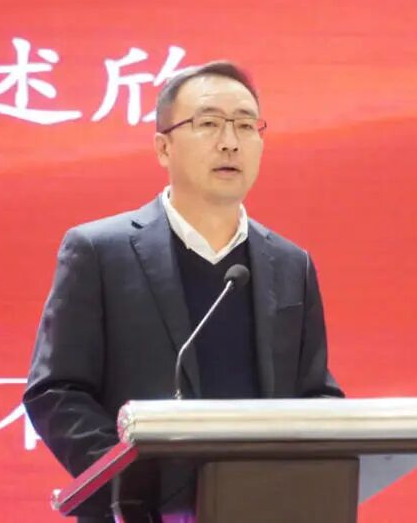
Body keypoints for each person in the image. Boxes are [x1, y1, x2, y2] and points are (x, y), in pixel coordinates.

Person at [23, 61, 342, 522]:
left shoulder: (292, 264)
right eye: (209, 123)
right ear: (163, 147)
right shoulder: (99, 251)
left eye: (245, 125)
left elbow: (315, 395)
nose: (230, 141)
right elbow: (56, 391)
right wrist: (130, 487)